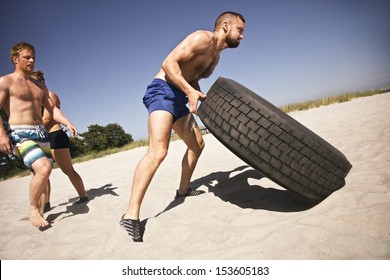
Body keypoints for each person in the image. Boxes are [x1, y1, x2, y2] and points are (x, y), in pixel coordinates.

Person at [120, 11, 245, 242]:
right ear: (226, 26)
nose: (242, 36)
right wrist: (189, 91)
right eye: (240, 30)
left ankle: (183, 190)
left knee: (197, 144)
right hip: (162, 90)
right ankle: (130, 215)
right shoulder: (202, 38)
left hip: (181, 96)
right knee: (158, 151)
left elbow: (192, 77)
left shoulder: (216, 57)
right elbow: (169, 63)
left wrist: (197, 95)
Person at [0, 42, 78, 228]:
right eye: (27, 57)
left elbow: (52, 110)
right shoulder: (5, 81)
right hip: (20, 133)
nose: (32, 60)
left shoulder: (39, 87)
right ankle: (33, 208)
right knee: (44, 168)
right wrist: (2, 135)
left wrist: (66, 122)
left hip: (41, 134)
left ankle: (41, 215)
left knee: (41, 175)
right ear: (15, 59)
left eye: (33, 57)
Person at [31, 70, 88, 212]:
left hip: (55, 135)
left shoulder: (50, 95)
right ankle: (47, 203)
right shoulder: (34, 99)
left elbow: (47, 119)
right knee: (41, 172)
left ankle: (83, 196)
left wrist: (29, 130)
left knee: (67, 170)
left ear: (40, 82)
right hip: (42, 137)